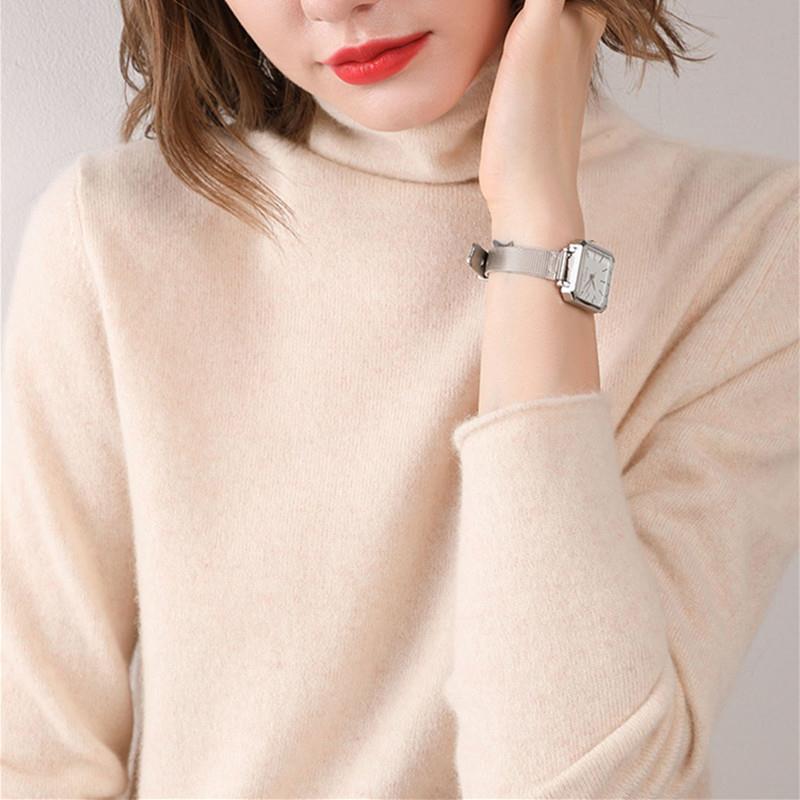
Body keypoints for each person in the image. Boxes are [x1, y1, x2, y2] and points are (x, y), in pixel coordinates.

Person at [2, 1, 797, 798]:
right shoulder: (114, 237)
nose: (329, 5)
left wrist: (537, 225)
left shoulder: (747, 248)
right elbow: (33, 769)